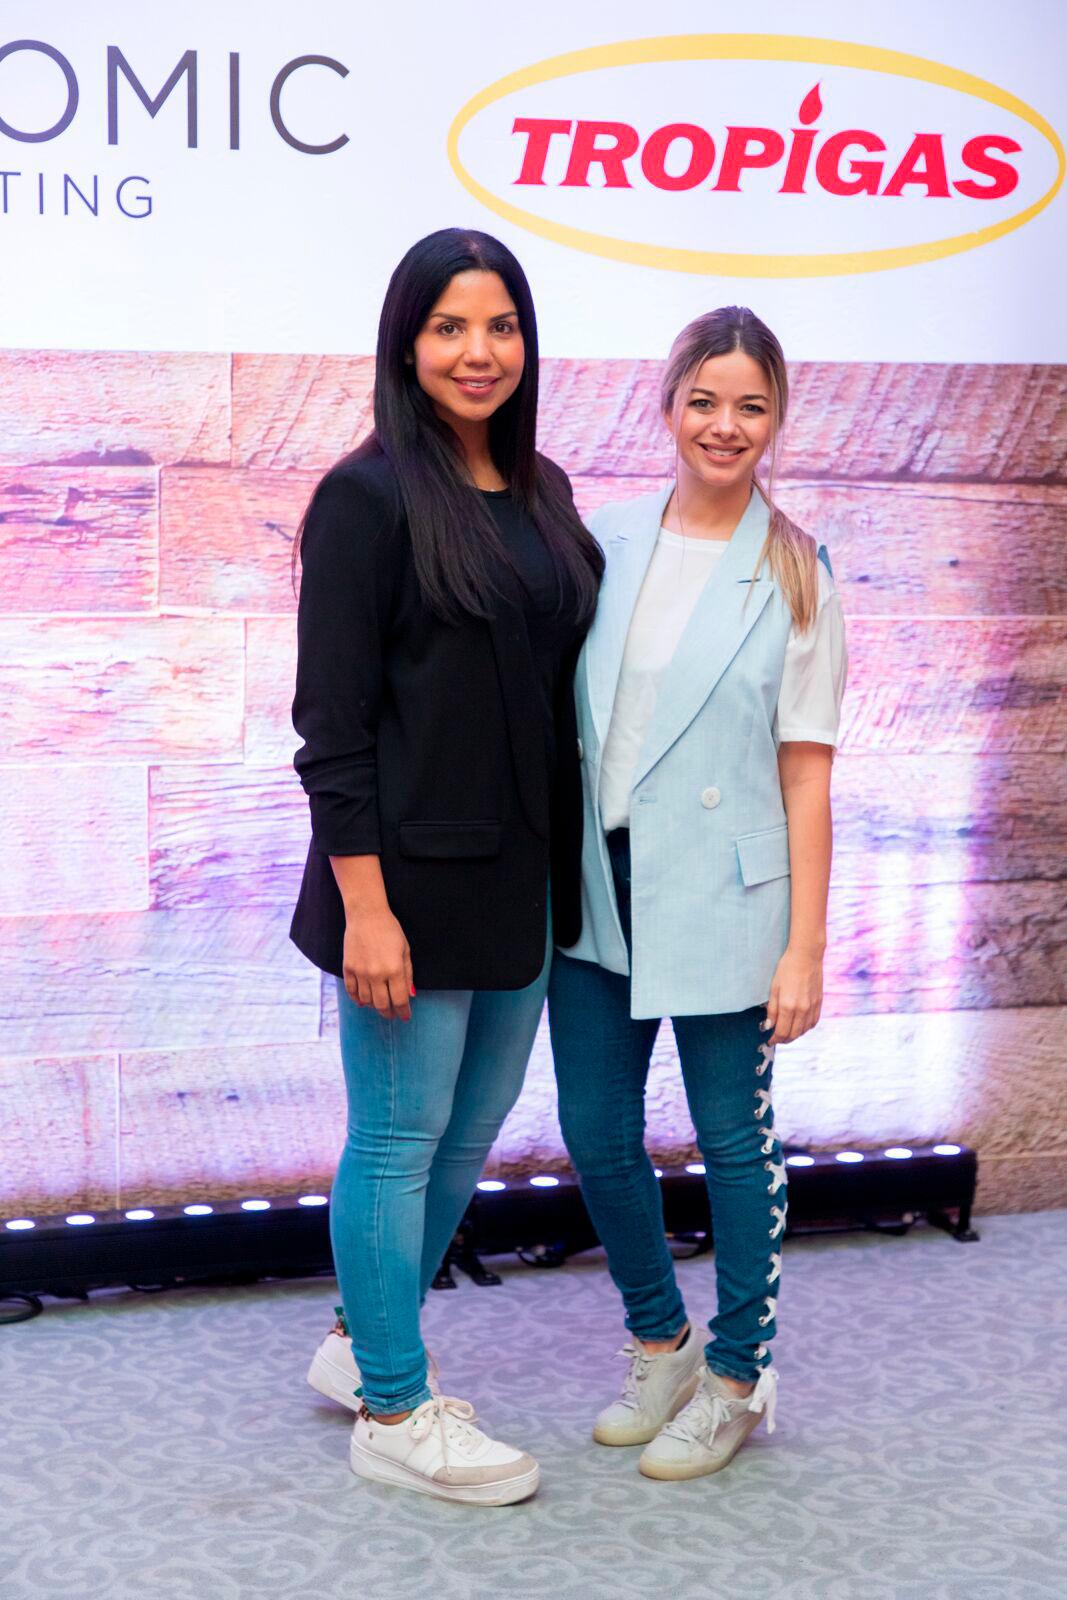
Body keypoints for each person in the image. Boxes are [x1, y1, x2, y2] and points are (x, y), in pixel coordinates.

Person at [290, 228, 604, 1504]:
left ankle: (357, 1340)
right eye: (450, 327)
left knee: (466, 1134)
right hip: (404, 892)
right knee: (395, 1139)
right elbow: (332, 728)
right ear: (406, 343)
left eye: (501, 326)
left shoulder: (544, 491)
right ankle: (392, 1407)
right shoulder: (363, 499)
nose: (480, 352)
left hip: (519, 882)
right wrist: (364, 908)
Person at [547, 305, 848, 1482]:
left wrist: (803, 946)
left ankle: (734, 1375)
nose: (724, 425)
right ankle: (659, 1341)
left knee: (731, 1138)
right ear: (667, 403)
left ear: (775, 420)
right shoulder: (602, 538)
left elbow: (805, 771)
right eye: (704, 400)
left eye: (750, 406)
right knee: (594, 1129)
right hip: (599, 876)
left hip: (728, 886)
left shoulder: (795, 567)